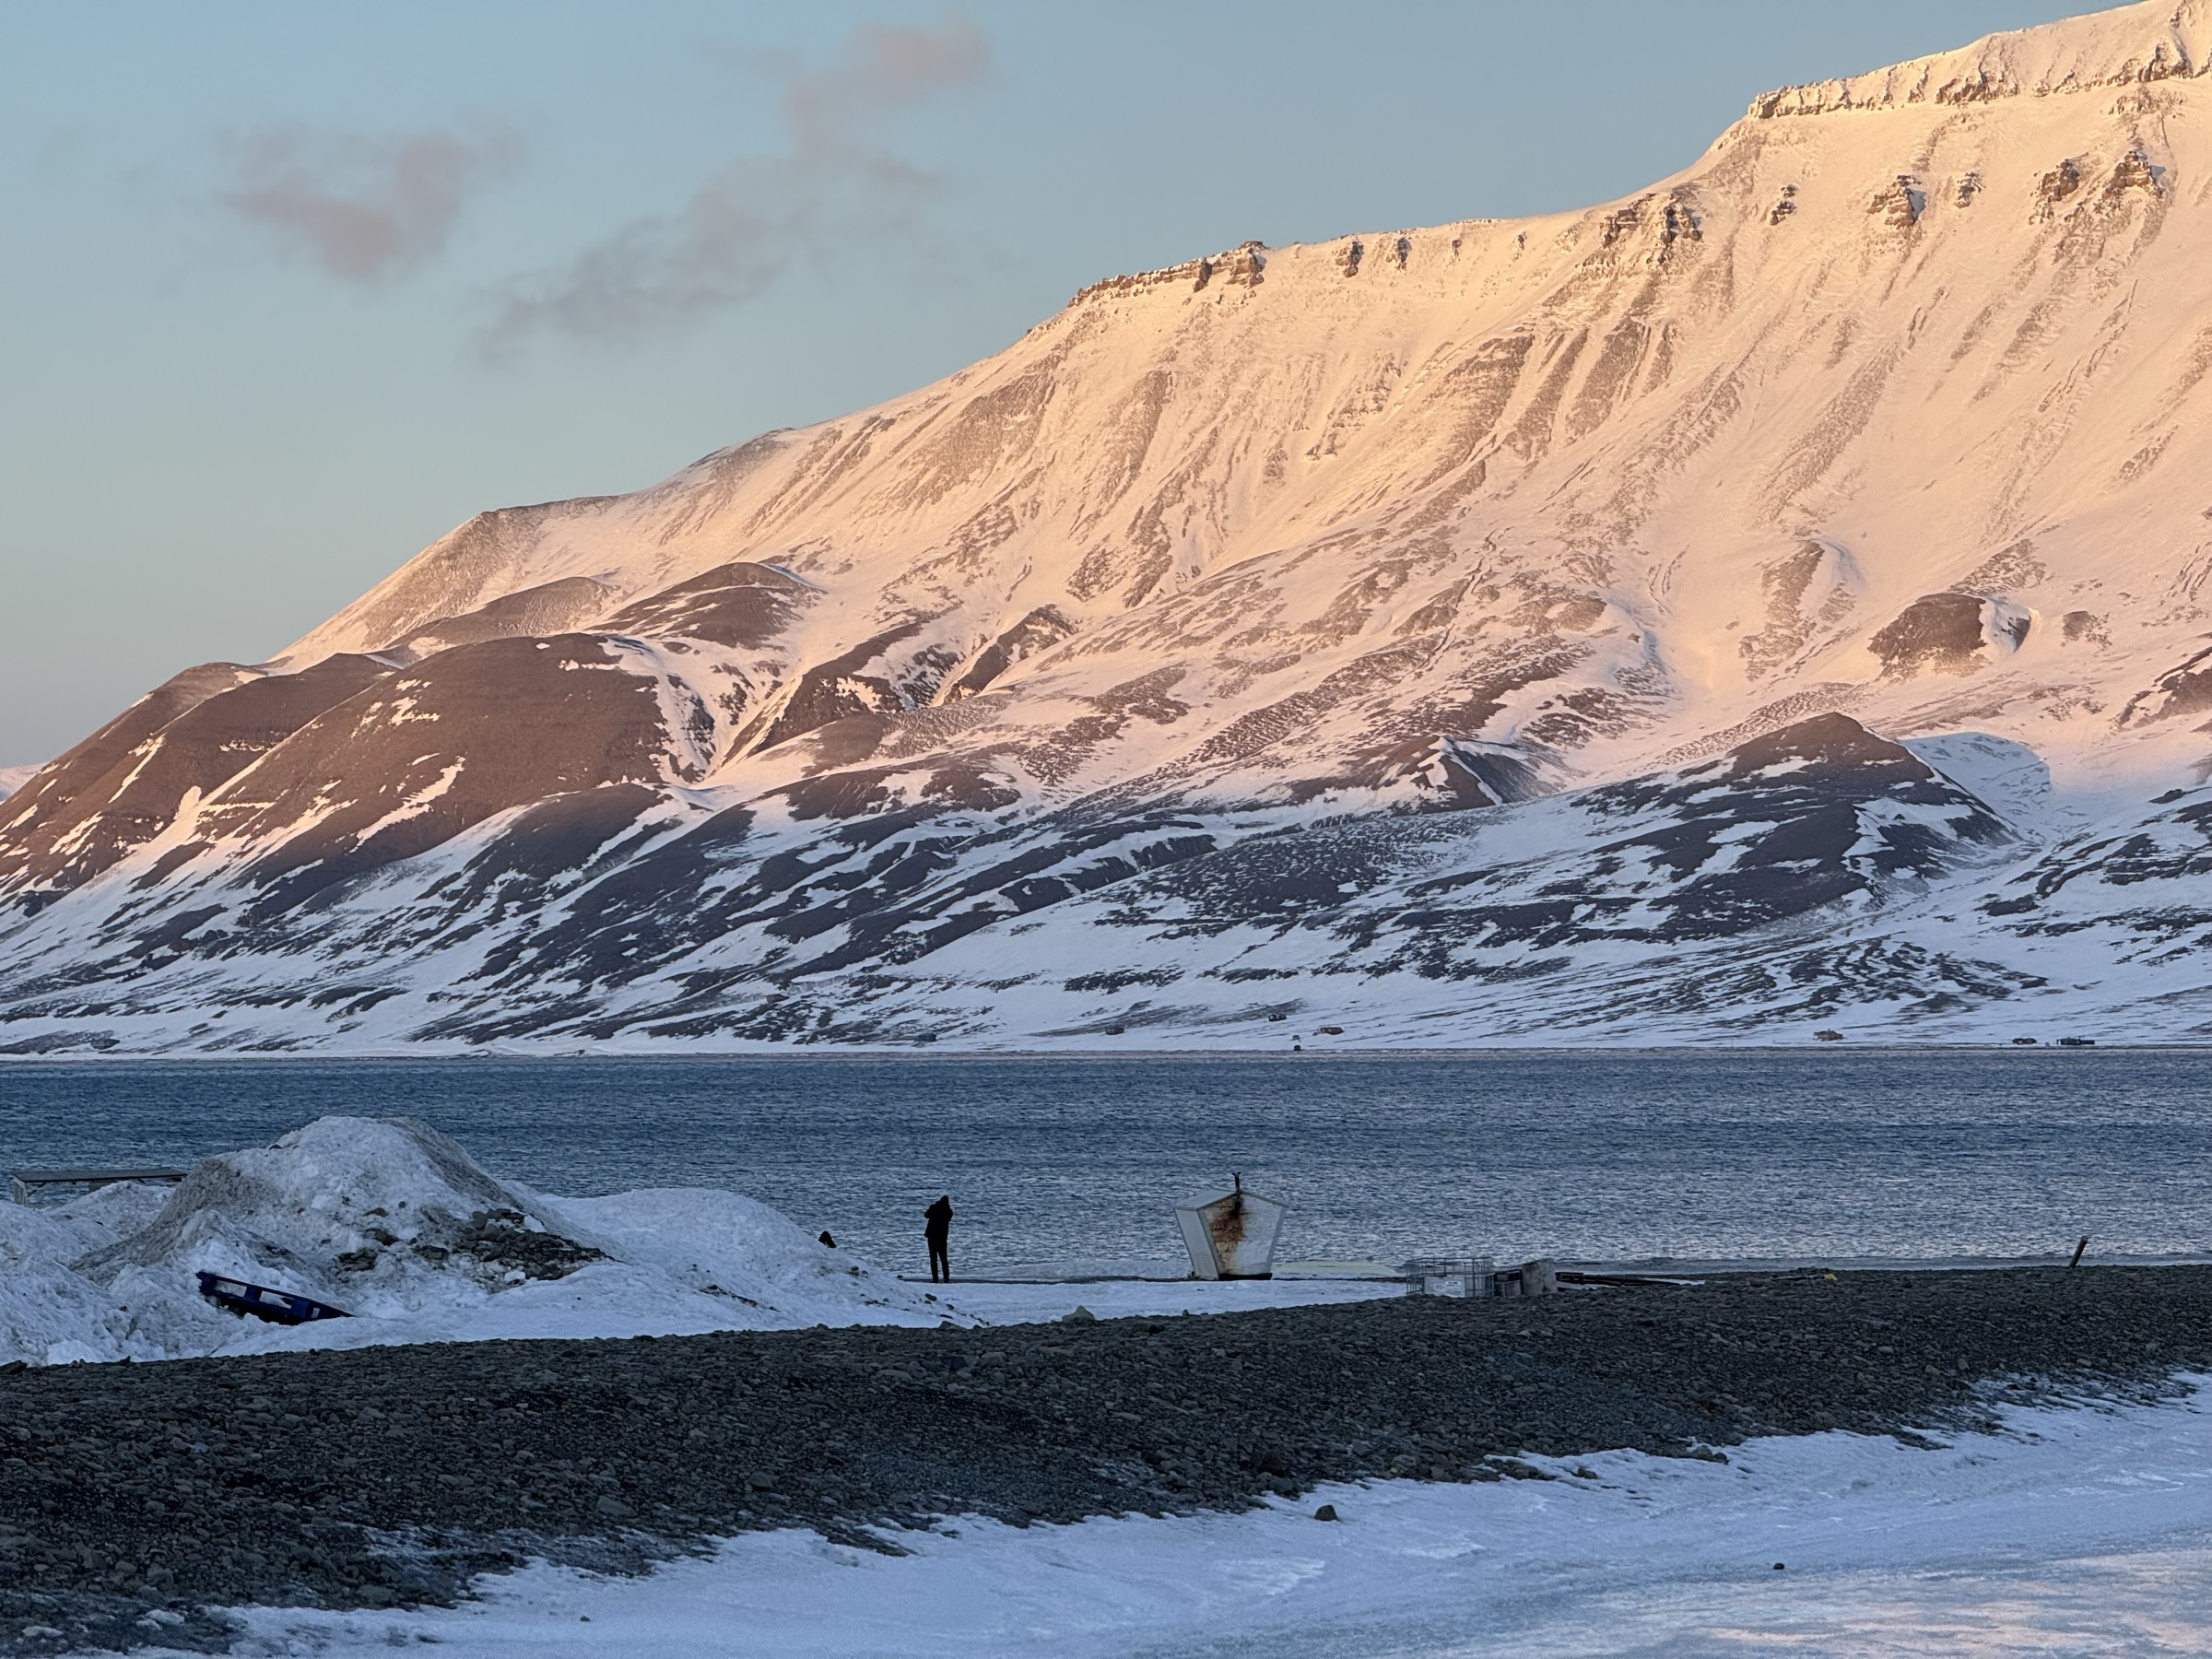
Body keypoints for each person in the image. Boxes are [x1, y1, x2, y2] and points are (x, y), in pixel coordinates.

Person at [924, 1194, 953, 1283]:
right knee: (944, 1259)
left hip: (932, 1236)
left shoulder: (934, 1207)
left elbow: (926, 1215)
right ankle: (946, 1278)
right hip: (942, 1237)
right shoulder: (949, 1212)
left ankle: (935, 1278)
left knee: (933, 1259)